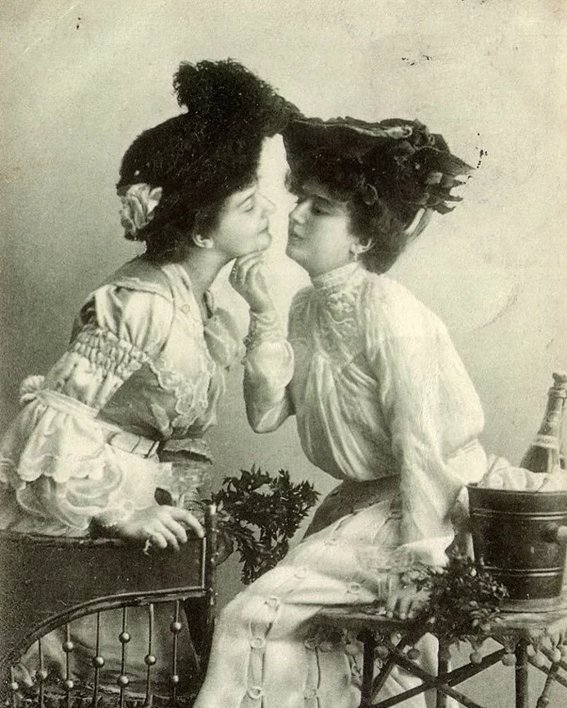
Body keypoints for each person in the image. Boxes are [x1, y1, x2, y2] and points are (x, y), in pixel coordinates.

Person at [0, 59, 294, 698]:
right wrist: (120, 512)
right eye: (248, 204)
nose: (269, 212)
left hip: (151, 532)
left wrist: (265, 314)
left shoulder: (202, 305)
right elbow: (48, 424)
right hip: (86, 530)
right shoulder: (136, 304)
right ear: (200, 228)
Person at [195, 116, 487, 707]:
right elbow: (266, 415)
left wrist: (419, 563)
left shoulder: (389, 310)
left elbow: (423, 447)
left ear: (363, 239)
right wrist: (264, 314)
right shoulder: (305, 307)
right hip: (360, 506)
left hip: (427, 509)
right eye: (300, 199)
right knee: (334, 646)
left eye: (321, 208)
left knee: (252, 618)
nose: (297, 214)